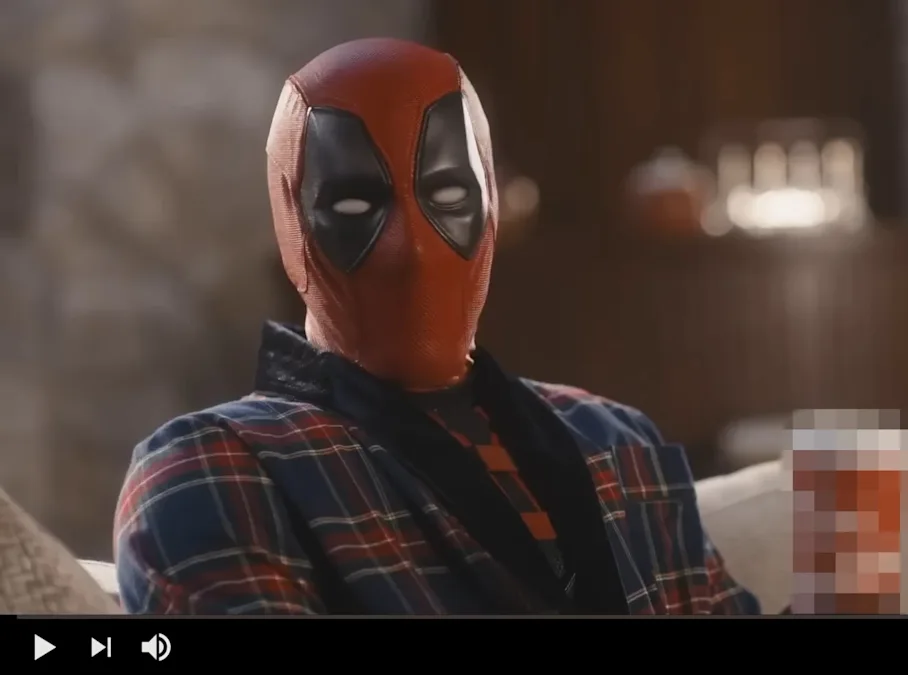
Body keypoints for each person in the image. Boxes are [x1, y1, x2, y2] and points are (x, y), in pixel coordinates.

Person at [113, 38, 759, 616]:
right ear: (292, 222)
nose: (414, 248)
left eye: (448, 197)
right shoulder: (216, 466)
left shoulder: (617, 439)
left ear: (492, 206)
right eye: (356, 204)